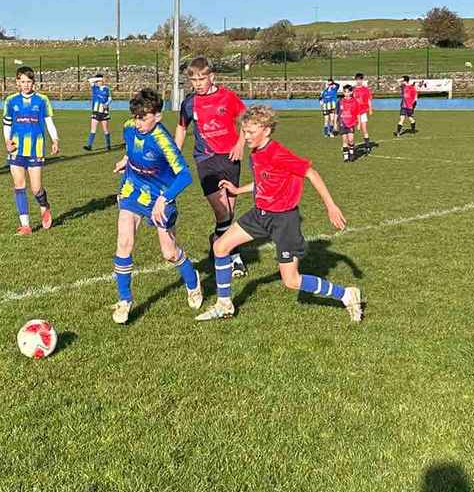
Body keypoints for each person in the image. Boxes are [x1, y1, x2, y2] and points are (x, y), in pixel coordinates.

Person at [196, 105, 363, 323]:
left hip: (283, 220)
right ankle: (224, 304)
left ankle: (347, 294)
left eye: (251, 132)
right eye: (244, 131)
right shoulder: (256, 153)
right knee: (220, 247)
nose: (246, 137)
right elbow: (264, 181)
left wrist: (331, 206)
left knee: (291, 281)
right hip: (259, 214)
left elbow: (311, 173)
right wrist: (238, 190)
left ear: (266, 130)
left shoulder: (278, 153)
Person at [111, 88, 202, 325]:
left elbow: (185, 175)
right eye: (136, 117)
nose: (138, 122)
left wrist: (164, 198)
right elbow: (131, 150)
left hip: (160, 196)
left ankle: (193, 282)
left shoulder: (163, 142)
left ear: (158, 116)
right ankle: (124, 300)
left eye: (143, 118)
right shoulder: (129, 127)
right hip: (133, 190)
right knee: (124, 242)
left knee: (169, 253)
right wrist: (125, 160)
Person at [175, 57, 248, 277]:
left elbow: (246, 121)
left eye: (201, 79)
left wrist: (240, 145)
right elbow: (181, 128)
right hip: (205, 158)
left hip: (230, 158)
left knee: (229, 213)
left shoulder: (228, 97)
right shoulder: (189, 103)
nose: (197, 84)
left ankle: (217, 241)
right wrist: (174, 155)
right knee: (222, 210)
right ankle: (234, 258)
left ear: (212, 77)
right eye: (193, 80)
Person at [2, 66, 59, 235]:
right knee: (19, 185)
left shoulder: (42, 100)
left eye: (29, 81)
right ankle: (25, 225)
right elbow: (7, 124)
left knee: (36, 189)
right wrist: (7, 141)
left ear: (33, 82)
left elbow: (49, 122)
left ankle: (44, 205)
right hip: (16, 149)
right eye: (22, 81)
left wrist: (55, 140)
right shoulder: (11, 101)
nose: (26, 85)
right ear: (17, 82)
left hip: (36, 149)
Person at [84, 73, 112, 151]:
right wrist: (98, 78)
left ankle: (108, 145)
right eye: (98, 81)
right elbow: (90, 80)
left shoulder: (107, 89)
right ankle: (89, 146)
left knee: (105, 130)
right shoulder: (94, 87)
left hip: (104, 112)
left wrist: (106, 104)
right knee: (93, 129)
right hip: (96, 111)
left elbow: (110, 98)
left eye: (100, 80)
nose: (99, 82)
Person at [352, 72, 373, 153]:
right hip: (354, 113)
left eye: (360, 79)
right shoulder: (352, 89)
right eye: (357, 79)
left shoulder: (365, 89)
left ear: (362, 80)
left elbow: (369, 100)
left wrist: (370, 109)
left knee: (364, 129)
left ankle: (367, 146)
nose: (359, 81)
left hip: (363, 112)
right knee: (351, 129)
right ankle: (351, 145)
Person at [336, 84, 358, 162]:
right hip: (342, 123)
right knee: (344, 140)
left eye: (348, 92)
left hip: (351, 123)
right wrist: (335, 123)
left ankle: (351, 153)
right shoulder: (340, 101)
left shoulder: (354, 101)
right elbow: (337, 113)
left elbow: (357, 112)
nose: (346, 93)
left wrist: (358, 123)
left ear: (351, 92)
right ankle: (346, 157)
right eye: (345, 92)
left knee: (351, 140)